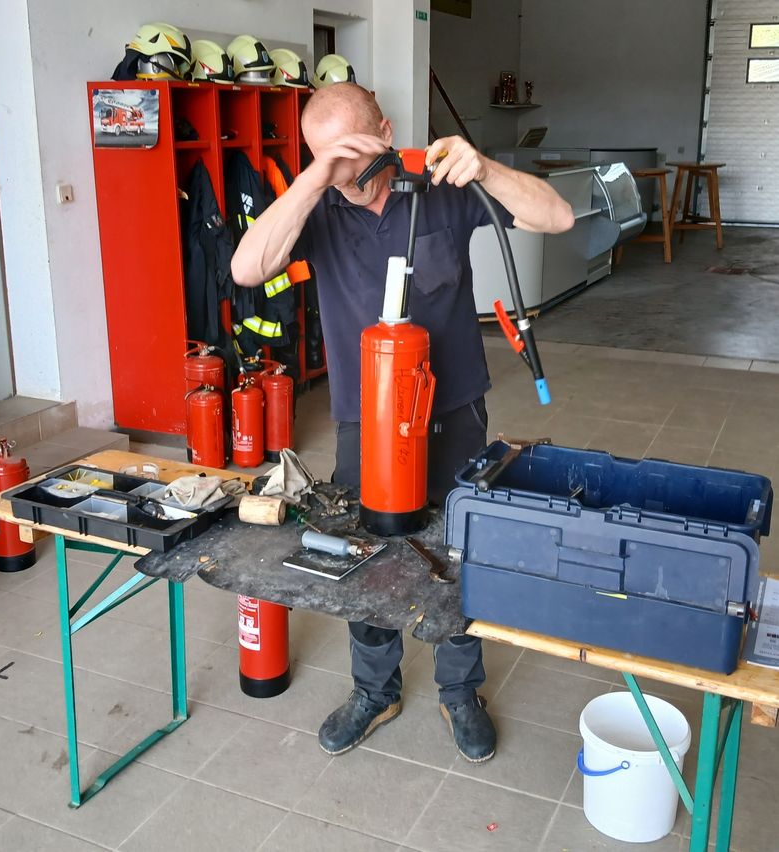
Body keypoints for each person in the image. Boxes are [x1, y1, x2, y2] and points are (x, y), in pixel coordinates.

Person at [231, 83, 574, 763]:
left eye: (356, 152)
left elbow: (558, 217)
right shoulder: (319, 206)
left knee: (460, 551)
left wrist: (487, 168)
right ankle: (374, 689)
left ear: (385, 131)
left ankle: (459, 691)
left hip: (453, 410)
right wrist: (314, 178)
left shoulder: (438, 187)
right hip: (368, 420)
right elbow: (248, 267)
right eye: (329, 159)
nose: (348, 175)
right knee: (369, 556)